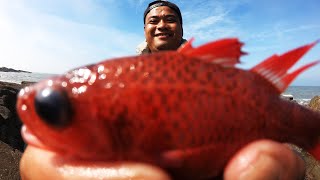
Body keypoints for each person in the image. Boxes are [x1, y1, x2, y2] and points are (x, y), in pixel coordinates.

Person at [20, 1, 306, 179]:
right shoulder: (122, 74)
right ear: (144, 29)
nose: (161, 25)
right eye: (153, 20)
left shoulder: (217, 75)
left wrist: (295, 149)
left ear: (182, 30)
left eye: (169, 19)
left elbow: (264, 110)